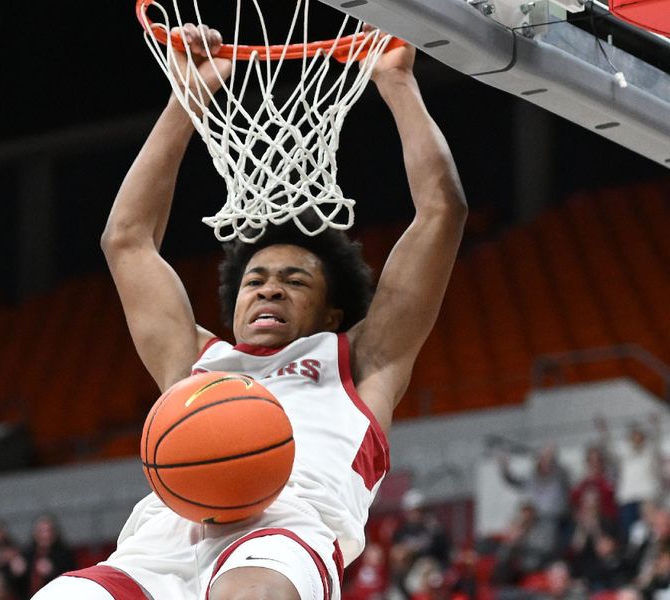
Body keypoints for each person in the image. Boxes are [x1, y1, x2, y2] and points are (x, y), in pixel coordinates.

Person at [34, 21, 466, 600]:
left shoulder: (362, 358)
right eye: (256, 280)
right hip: (164, 540)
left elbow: (443, 212)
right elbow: (127, 240)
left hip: (283, 530)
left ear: (333, 313)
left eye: (294, 280)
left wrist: (396, 83)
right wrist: (185, 99)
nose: (269, 289)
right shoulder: (195, 361)